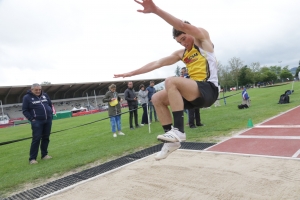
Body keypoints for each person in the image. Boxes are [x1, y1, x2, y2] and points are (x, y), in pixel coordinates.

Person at [114, 0, 218, 160]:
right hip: (195, 93)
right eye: (180, 42)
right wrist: (131, 73)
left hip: (209, 89)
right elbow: (157, 63)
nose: (184, 43)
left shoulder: (203, 40)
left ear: (190, 32)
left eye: (184, 38)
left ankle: (179, 131)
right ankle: (171, 142)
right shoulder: (181, 54)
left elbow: (181, 25)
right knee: (156, 98)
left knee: (171, 81)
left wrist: (155, 10)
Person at [22, 83, 53, 164]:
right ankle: (32, 159)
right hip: (37, 121)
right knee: (36, 139)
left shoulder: (45, 95)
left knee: (46, 138)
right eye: (36, 90)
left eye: (39, 89)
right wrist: (32, 119)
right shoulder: (27, 97)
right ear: (32, 90)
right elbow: (25, 110)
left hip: (48, 120)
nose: (38, 91)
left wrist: (50, 114)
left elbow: (50, 104)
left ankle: (44, 155)